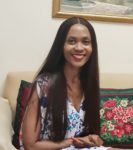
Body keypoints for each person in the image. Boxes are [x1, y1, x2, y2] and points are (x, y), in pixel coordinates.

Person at [19, 16, 114, 150]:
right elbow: (30, 145)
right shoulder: (44, 84)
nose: (79, 47)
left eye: (86, 42)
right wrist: (68, 142)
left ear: (92, 47)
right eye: (72, 41)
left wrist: (93, 139)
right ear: (61, 46)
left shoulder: (89, 84)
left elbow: (87, 136)